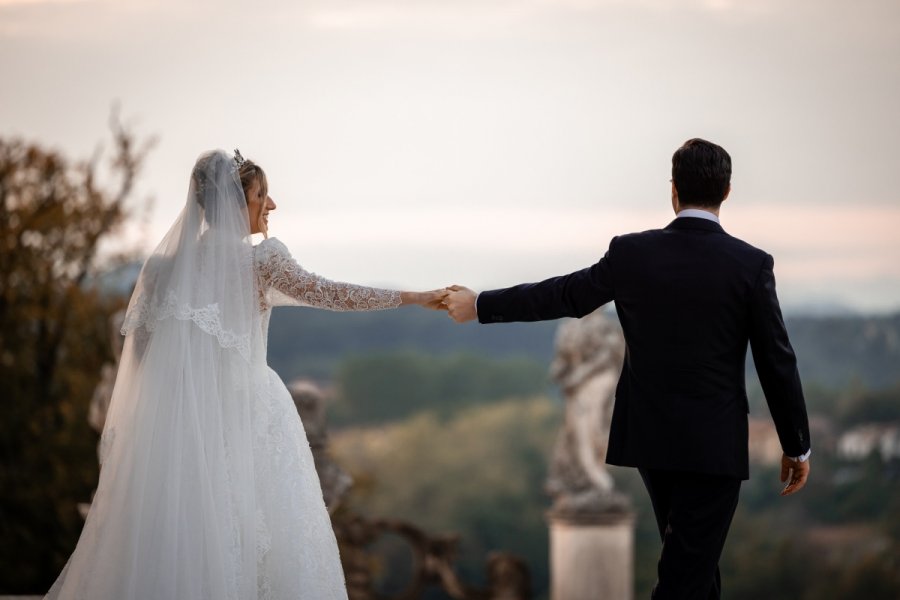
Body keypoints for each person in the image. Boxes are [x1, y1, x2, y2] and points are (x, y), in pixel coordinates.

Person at [45, 149, 447, 600]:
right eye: (262, 195)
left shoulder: (160, 270)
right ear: (236, 204)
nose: (270, 206)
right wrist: (414, 296)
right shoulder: (262, 261)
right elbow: (333, 294)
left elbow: (140, 359)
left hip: (180, 429)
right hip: (249, 419)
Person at [443, 138, 811, 599]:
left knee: (694, 568)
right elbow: (776, 358)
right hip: (713, 445)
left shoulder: (633, 253)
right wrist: (797, 446)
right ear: (727, 191)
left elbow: (565, 295)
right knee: (686, 574)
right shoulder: (750, 265)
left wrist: (480, 305)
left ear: (673, 190)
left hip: (652, 440)